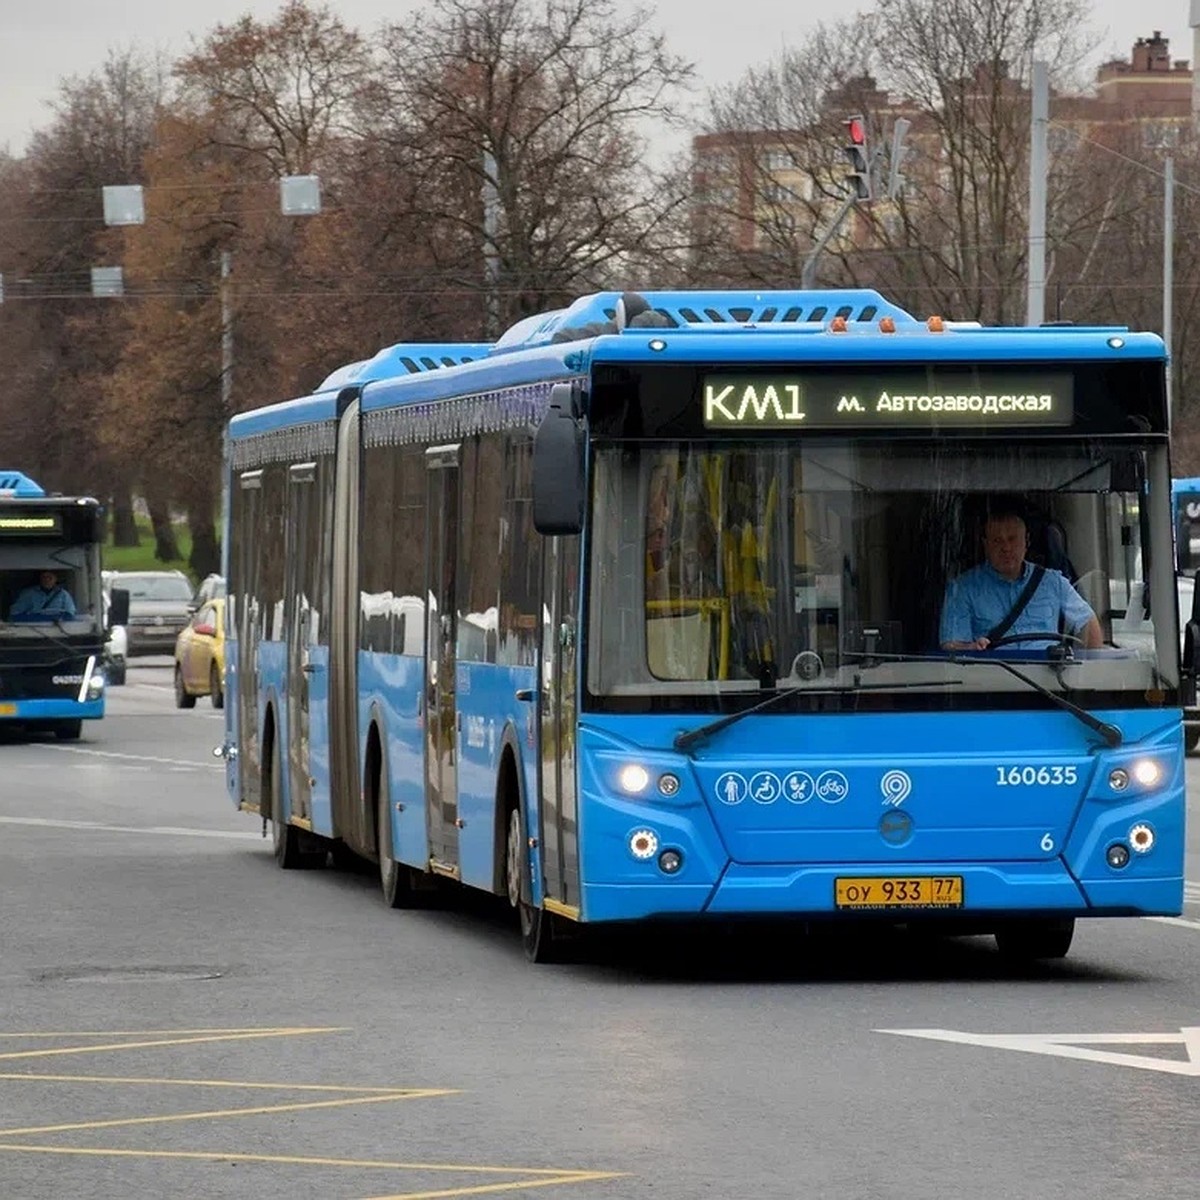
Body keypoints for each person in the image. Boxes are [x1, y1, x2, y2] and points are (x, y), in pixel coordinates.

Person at [940, 507, 1102, 651]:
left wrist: (1092, 670)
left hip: (1050, 677)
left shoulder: (1053, 582)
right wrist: (971, 647)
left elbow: (1087, 622)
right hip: (992, 676)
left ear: (1026, 542)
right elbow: (951, 645)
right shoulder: (961, 588)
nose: (1006, 548)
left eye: (1012, 539)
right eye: (997, 541)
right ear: (986, 545)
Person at [9, 570, 77, 620]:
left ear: (55, 579)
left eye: (50, 577)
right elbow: (14, 613)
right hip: (32, 630)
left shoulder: (63, 594)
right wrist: (34, 618)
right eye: (44, 577)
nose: (47, 580)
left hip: (58, 630)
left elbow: (70, 614)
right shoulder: (28, 593)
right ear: (40, 579)